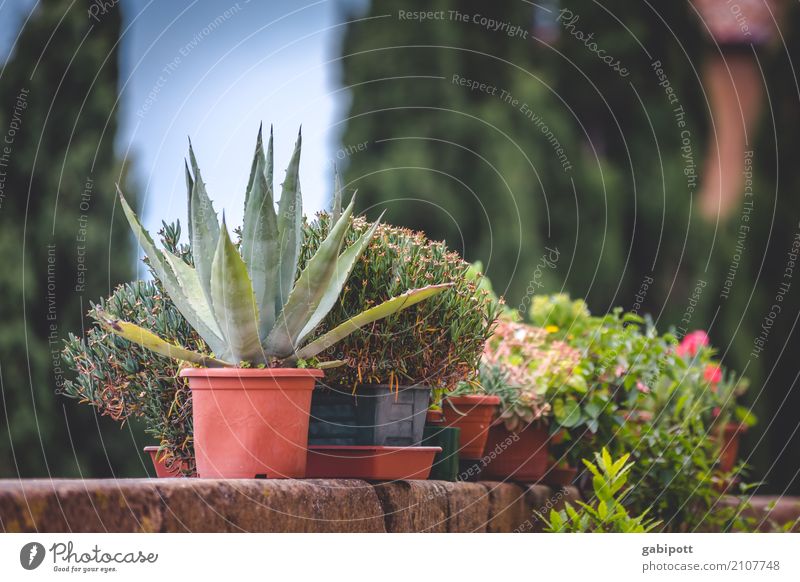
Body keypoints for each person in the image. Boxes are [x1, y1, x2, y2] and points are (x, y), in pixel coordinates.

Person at [691, 0, 781, 222]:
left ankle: (718, 217)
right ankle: (718, 216)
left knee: (731, 148)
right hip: (732, 42)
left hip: (735, 42)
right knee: (731, 147)